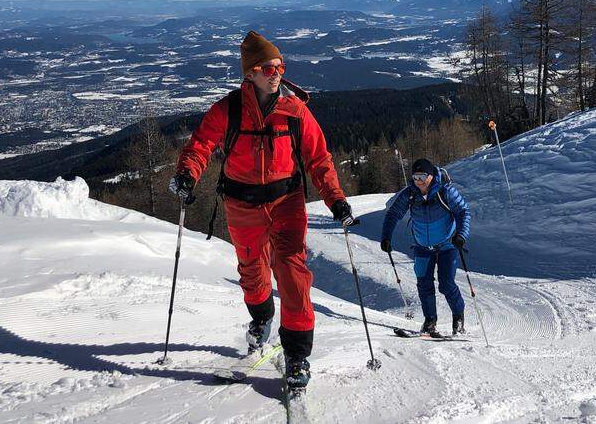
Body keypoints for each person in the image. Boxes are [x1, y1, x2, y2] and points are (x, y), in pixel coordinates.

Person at [169, 30, 354, 389]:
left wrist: (336, 199)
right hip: (242, 205)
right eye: (268, 67)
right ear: (249, 73)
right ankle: (261, 317)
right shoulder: (229, 110)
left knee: (292, 273)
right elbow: (201, 145)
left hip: (286, 203)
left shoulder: (295, 111)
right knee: (253, 274)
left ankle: (297, 356)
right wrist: (187, 175)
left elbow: (319, 159)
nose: (277, 73)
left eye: (280, 66)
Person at [380, 158, 470, 337]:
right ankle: (430, 320)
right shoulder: (410, 194)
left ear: (431, 176)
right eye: (415, 177)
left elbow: (463, 212)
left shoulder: (446, 192)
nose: (418, 181)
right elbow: (393, 214)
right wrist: (386, 237)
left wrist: (461, 235)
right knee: (424, 284)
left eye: (422, 176)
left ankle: (458, 316)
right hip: (422, 247)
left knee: (446, 284)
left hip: (447, 246)